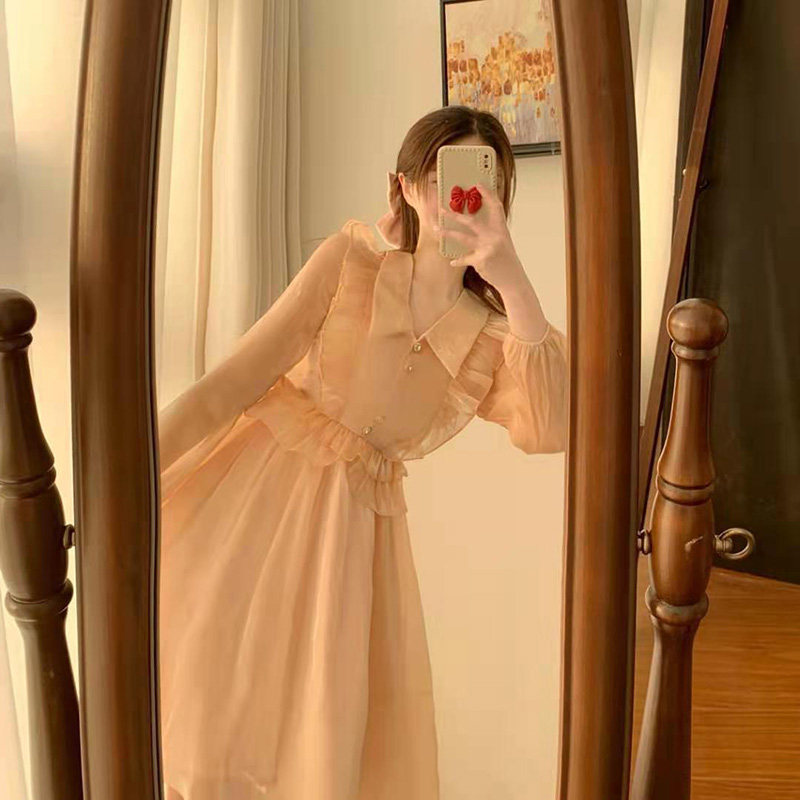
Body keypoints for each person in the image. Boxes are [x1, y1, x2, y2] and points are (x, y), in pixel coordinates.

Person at [157, 105, 568, 800]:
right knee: (216, 711)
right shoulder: (347, 264)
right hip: (258, 504)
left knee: (320, 738)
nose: (459, 196)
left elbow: (551, 427)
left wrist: (511, 276)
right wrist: (133, 471)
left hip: (353, 543)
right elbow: (234, 379)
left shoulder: (488, 334)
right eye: (438, 177)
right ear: (405, 186)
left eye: (481, 181)